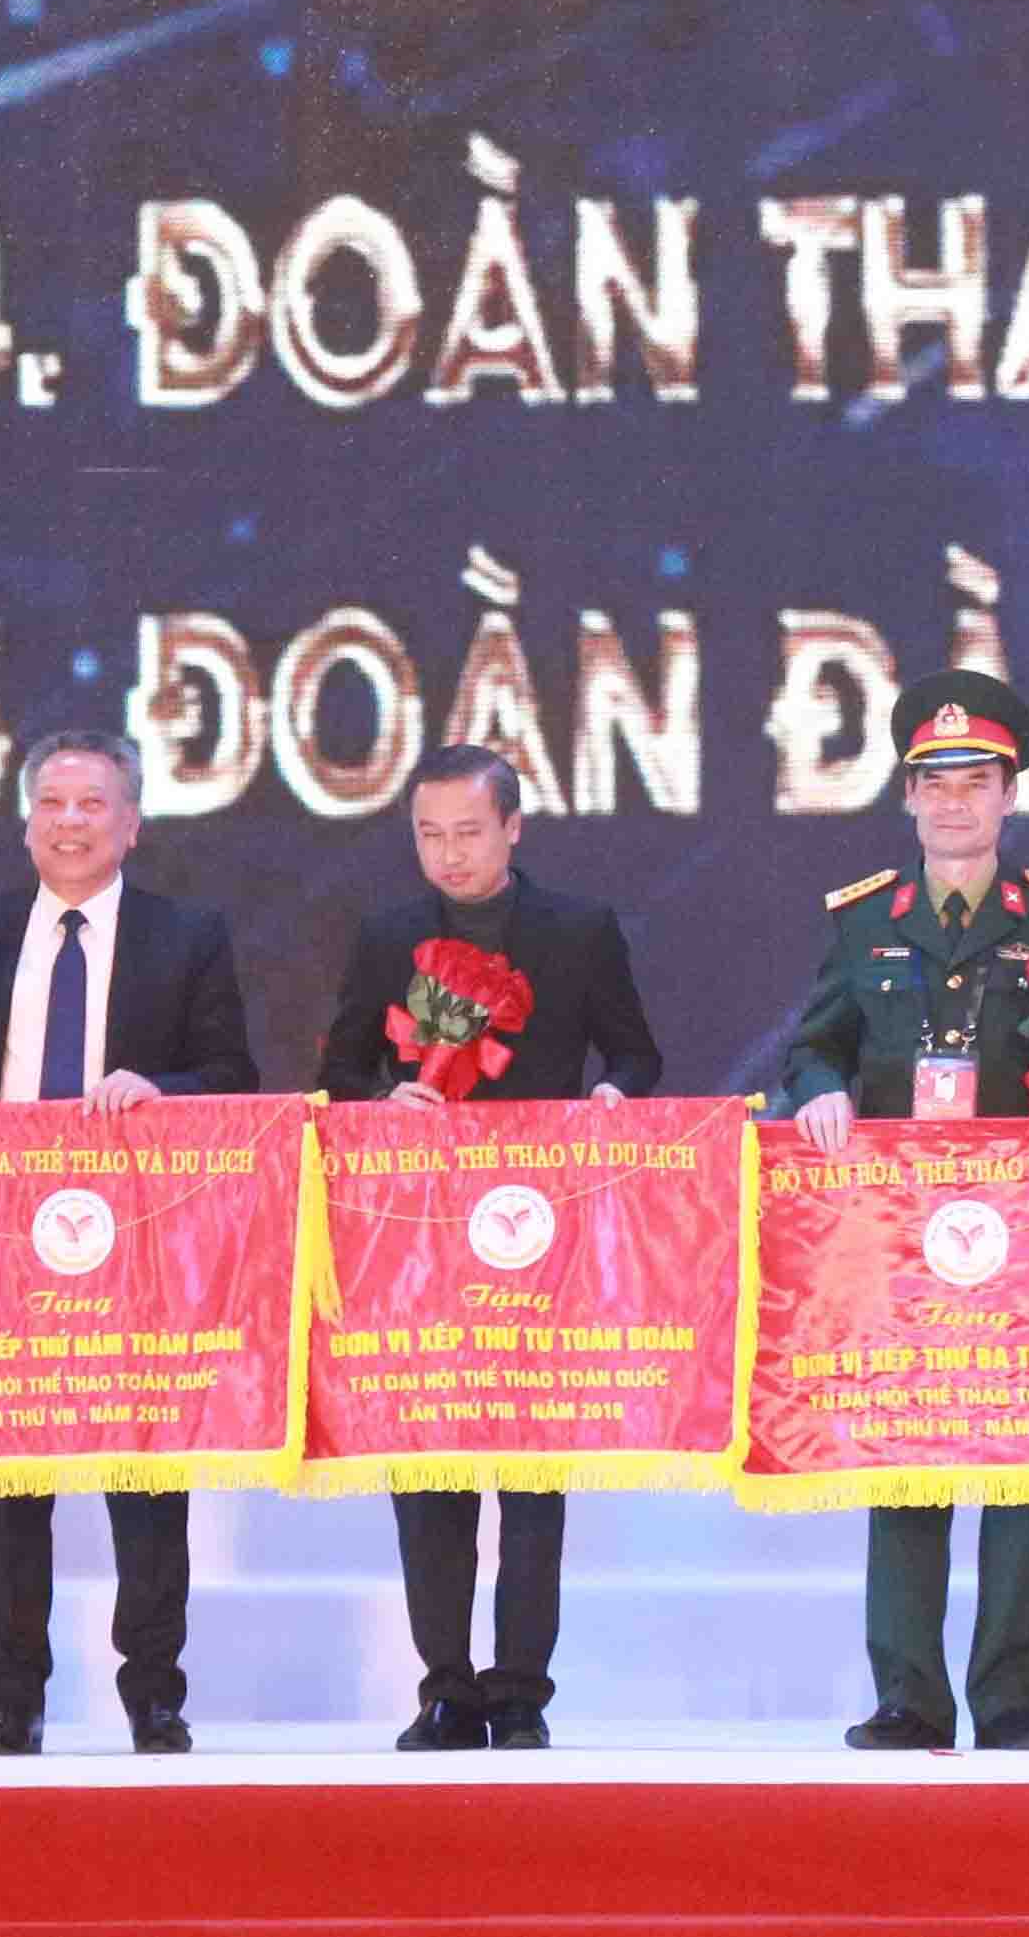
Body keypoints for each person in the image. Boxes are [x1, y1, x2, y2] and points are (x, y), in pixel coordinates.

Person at [0, 726, 256, 1755]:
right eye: (52, 803)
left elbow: (233, 1074)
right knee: (7, 1478)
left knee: (144, 1477)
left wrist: (159, 1087)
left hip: (132, 1242)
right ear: (24, 824)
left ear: (131, 825)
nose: (71, 822)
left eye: (93, 804)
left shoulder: (189, 935)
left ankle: (155, 1692)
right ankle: (13, 1698)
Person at [306, 742, 666, 1754]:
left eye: (469, 831)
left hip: (538, 1237)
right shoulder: (388, 934)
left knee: (532, 1470)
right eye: (430, 834)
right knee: (428, 1466)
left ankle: (521, 1693)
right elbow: (340, 1068)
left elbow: (635, 1049)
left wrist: (612, 1095)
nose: (451, 854)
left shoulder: (578, 930)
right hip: (419, 1241)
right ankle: (446, 1690)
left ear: (513, 828)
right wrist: (387, 1098)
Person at [770, 668, 1029, 1754]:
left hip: (1022, 1239)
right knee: (903, 1448)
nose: (954, 801)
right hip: (896, 1233)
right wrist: (814, 1089)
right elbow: (815, 1042)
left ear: (1011, 795)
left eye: (976, 780)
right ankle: (909, 1695)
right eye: (934, 782)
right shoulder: (867, 920)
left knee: (1020, 1461)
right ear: (907, 796)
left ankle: (1014, 1700)